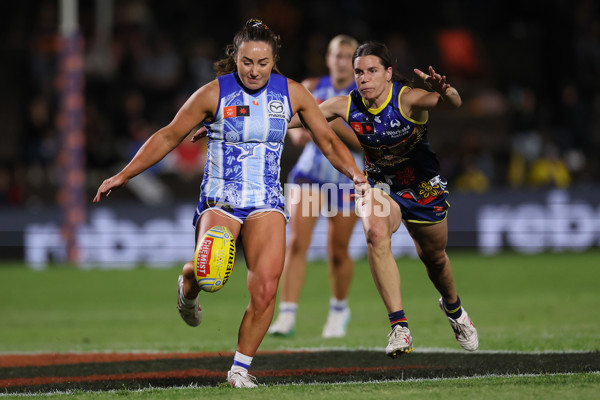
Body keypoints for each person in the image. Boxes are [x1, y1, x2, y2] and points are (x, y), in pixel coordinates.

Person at [93, 19, 368, 388]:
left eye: (263, 62)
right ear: (235, 58)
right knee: (209, 275)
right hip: (221, 199)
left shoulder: (292, 93)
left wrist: (357, 175)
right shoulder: (213, 94)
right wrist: (124, 175)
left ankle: (239, 369)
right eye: (247, 62)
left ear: (274, 61)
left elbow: (328, 140)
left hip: (267, 201)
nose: (254, 70)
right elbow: (169, 135)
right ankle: (187, 286)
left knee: (267, 286)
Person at [288, 41, 478, 357]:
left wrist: (446, 90)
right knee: (375, 233)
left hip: (423, 189)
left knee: (435, 258)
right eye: (359, 72)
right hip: (381, 187)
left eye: (372, 71)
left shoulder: (407, 98)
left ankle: (455, 309)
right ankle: (399, 327)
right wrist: (233, 122)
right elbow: (296, 119)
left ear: (388, 74)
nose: (364, 78)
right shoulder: (345, 105)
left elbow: (452, 104)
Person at [268, 34, 363, 339]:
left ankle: (338, 311)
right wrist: (321, 124)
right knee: (296, 243)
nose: (341, 61)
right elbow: (295, 134)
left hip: (346, 180)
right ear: (328, 58)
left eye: (348, 56)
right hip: (309, 176)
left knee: (337, 251)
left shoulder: (363, 94)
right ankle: (287, 314)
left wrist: (325, 122)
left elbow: (363, 142)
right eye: (337, 55)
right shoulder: (309, 87)